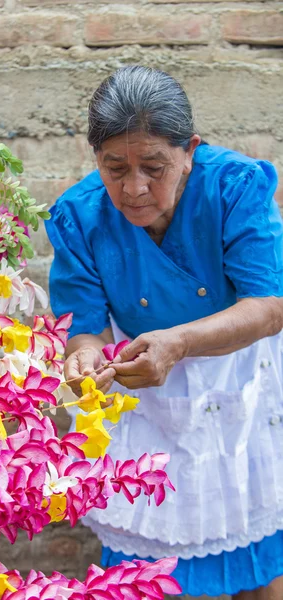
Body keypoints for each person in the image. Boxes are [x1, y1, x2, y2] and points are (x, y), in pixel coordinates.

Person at [44, 65, 283, 599]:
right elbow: (82, 329)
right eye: (115, 169)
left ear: (189, 150)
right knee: (145, 567)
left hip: (242, 375)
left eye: (154, 167)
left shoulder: (235, 185)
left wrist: (179, 342)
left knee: (259, 544)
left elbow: (268, 305)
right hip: (145, 394)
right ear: (96, 161)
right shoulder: (78, 218)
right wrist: (86, 360)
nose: (134, 188)